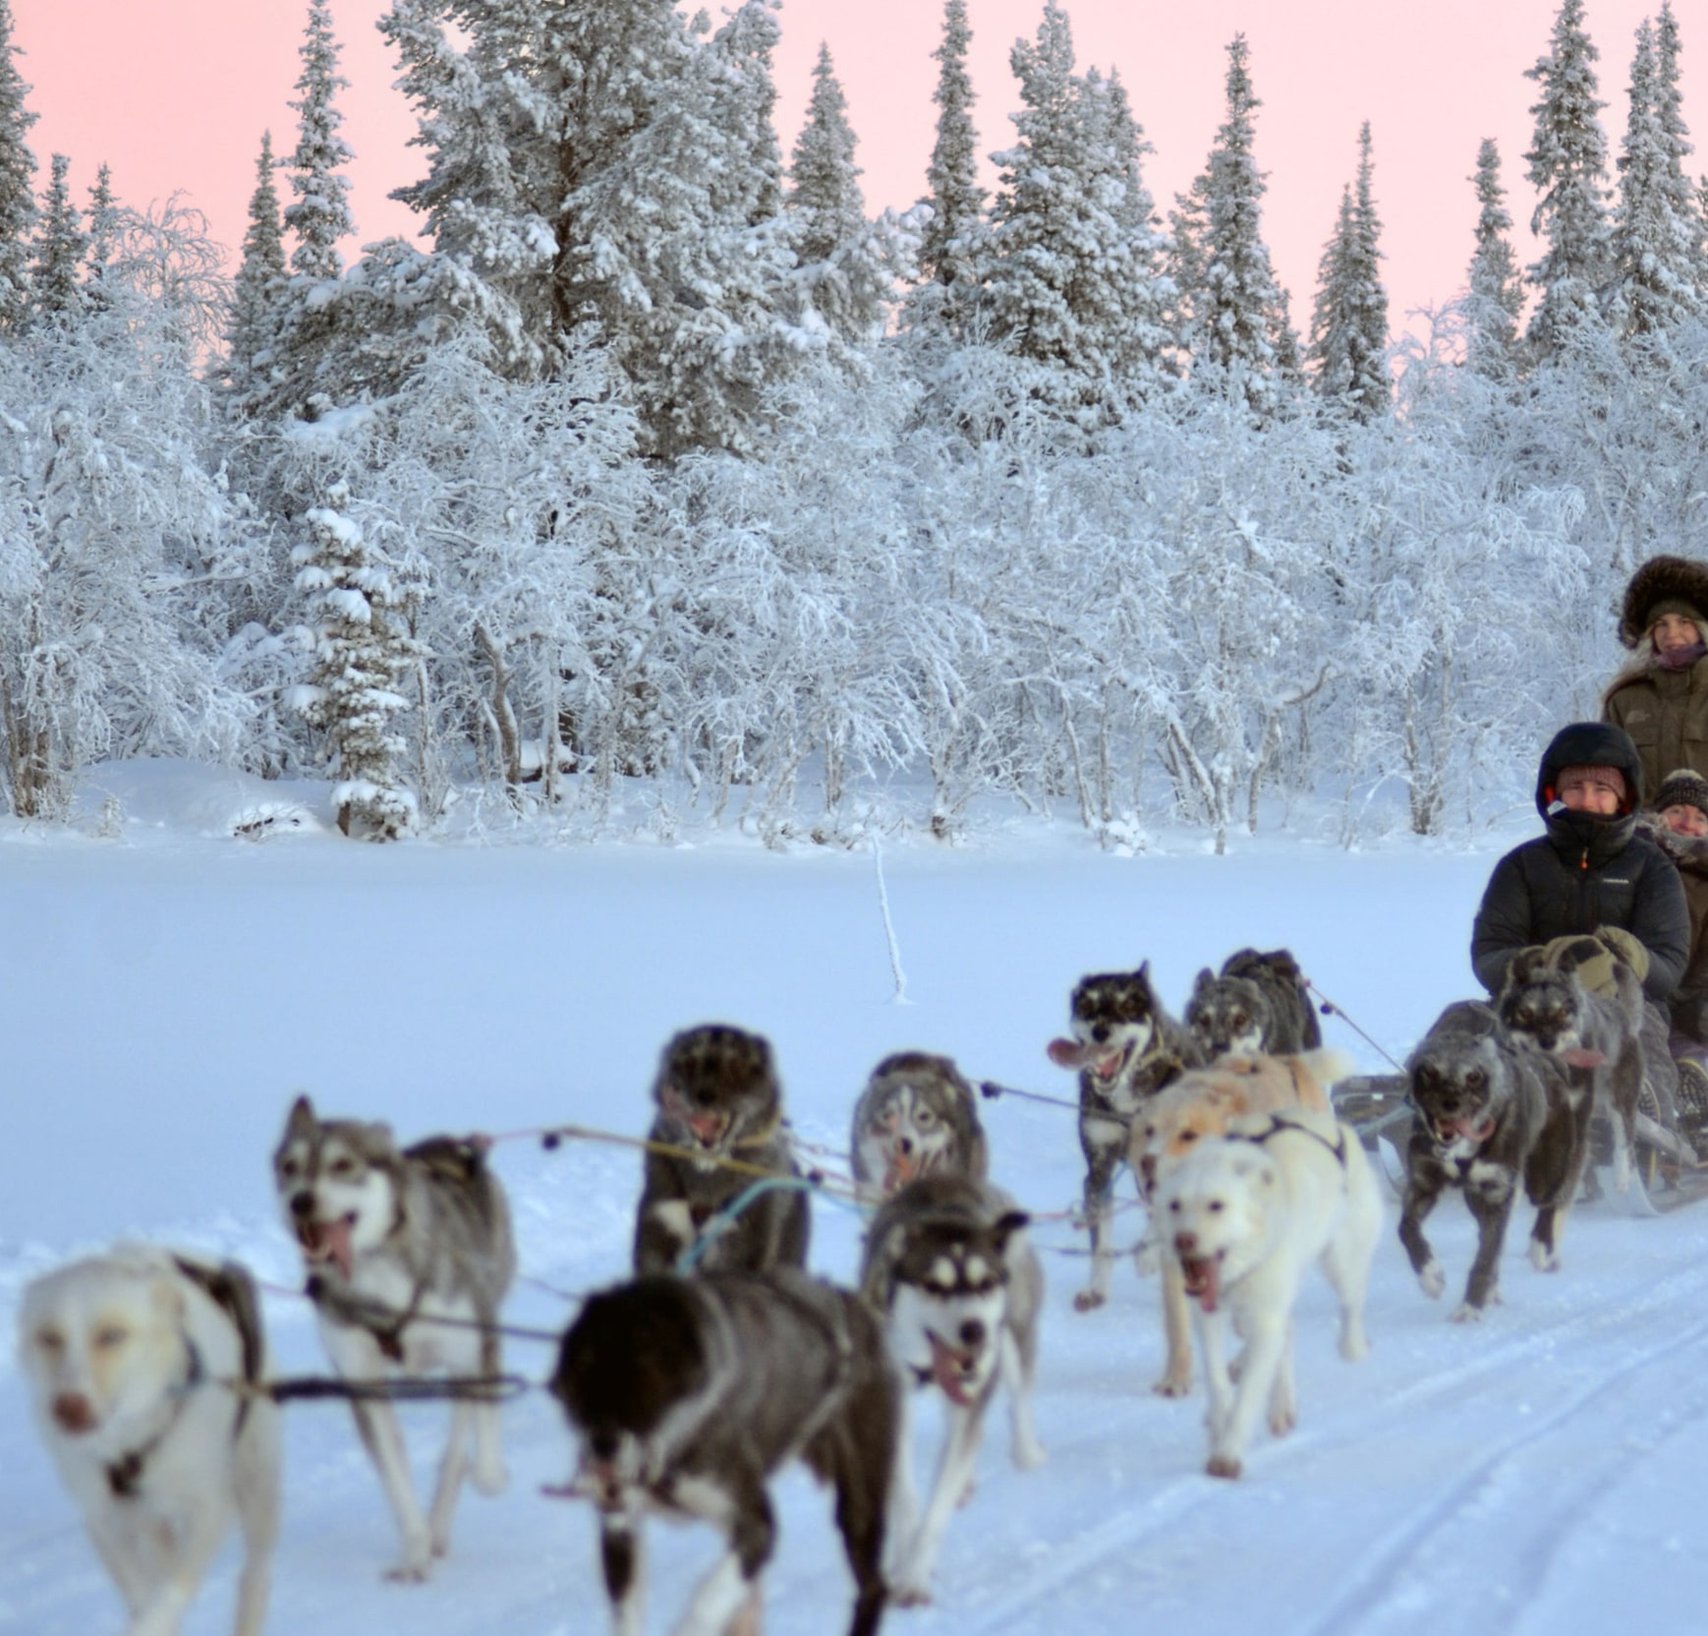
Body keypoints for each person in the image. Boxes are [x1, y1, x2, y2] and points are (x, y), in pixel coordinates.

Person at [1471, 721, 1689, 1007]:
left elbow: (1669, 964)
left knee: (1640, 1047)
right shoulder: (1521, 865)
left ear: (1623, 798)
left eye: (1602, 788)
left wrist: (1628, 959)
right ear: (1555, 793)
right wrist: (1541, 964)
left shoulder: (1652, 867)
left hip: (1628, 1007)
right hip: (1530, 1001)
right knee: (1461, 1025)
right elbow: (1490, 952)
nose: (1587, 800)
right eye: (1575, 786)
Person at [1602, 554, 1708, 803]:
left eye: (1684, 622)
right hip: (1643, 838)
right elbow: (1607, 781)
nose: (1672, 634)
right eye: (1661, 624)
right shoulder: (1625, 701)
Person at [1641, 768, 1708, 1134]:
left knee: (1688, 1052)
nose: (1687, 824)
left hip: (1689, 997)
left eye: (1700, 818)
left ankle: (1694, 1113)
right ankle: (1646, 1111)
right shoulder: (1637, 861)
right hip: (1642, 991)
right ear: (1657, 815)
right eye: (1677, 812)